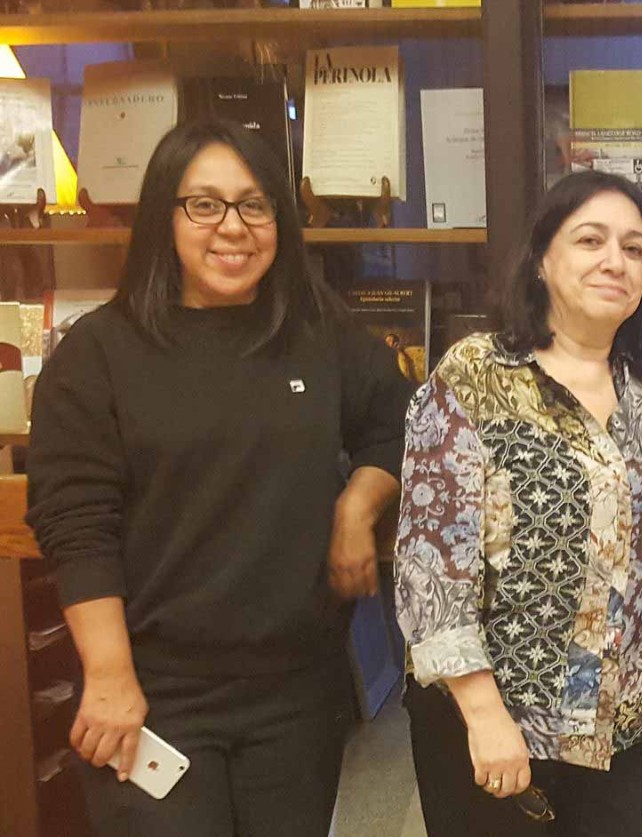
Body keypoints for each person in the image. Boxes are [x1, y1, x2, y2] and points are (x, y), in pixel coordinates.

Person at [25, 119, 412, 836]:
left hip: (296, 692)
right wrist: (108, 675)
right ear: (163, 217)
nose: (232, 227)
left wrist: (357, 505)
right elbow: (77, 523)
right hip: (150, 690)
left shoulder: (315, 335)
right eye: (204, 204)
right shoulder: (99, 353)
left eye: (254, 204)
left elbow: (397, 421)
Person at [395, 170, 642, 836]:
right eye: (590, 240)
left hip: (611, 716)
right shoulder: (476, 376)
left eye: (634, 248)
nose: (614, 261)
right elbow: (430, 567)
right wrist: (484, 715)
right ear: (542, 260)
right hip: (489, 716)